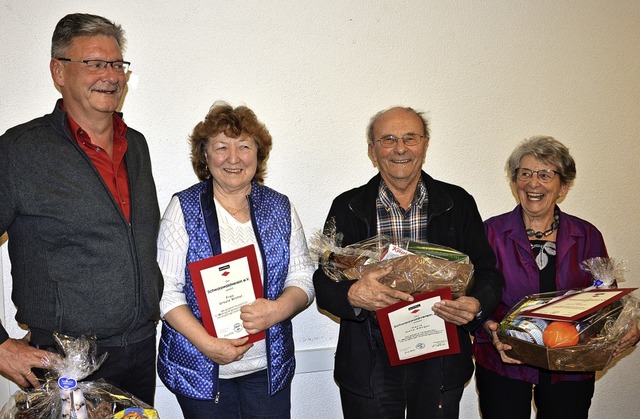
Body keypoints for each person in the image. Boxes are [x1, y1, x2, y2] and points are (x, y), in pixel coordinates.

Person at [0, 13, 162, 405]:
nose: (110, 75)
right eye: (93, 63)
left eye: (116, 64)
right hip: (66, 364)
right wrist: (0, 345)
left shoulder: (136, 145)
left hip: (140, 350)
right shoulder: (20, 151)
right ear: (59, 71)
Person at [313, 106, 503, 418]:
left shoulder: (458, 203)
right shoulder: (348, 206)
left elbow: (487, 271)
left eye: (410, 138)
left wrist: (476, 304)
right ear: (372, 150)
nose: (400, 148)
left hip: (440, 350)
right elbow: (324, 278)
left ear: (425, 144)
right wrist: (350, 294)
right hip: (370, 356)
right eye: (388, 139)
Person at [156, 101, 315, 418]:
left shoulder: (280, 208)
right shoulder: (182, 209)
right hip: (201, 367)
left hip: (267, 369)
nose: (233, 158)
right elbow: (166, 291)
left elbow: (303, 278)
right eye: (221, 147)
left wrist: (276, 310)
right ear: (205, 155)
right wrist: (207, 344)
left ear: (258, 154)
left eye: (244, 146)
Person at [473, 136, 640, 419]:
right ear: (515, 182)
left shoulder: (587, 235)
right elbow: (471, 300)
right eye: (524, 173)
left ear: (563, 186)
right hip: (505, 361)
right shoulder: (489, 233)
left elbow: (605, 302)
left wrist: (627, 326)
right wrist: (489, 329)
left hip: (571, 367)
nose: (533, 183)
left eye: (545, 174)